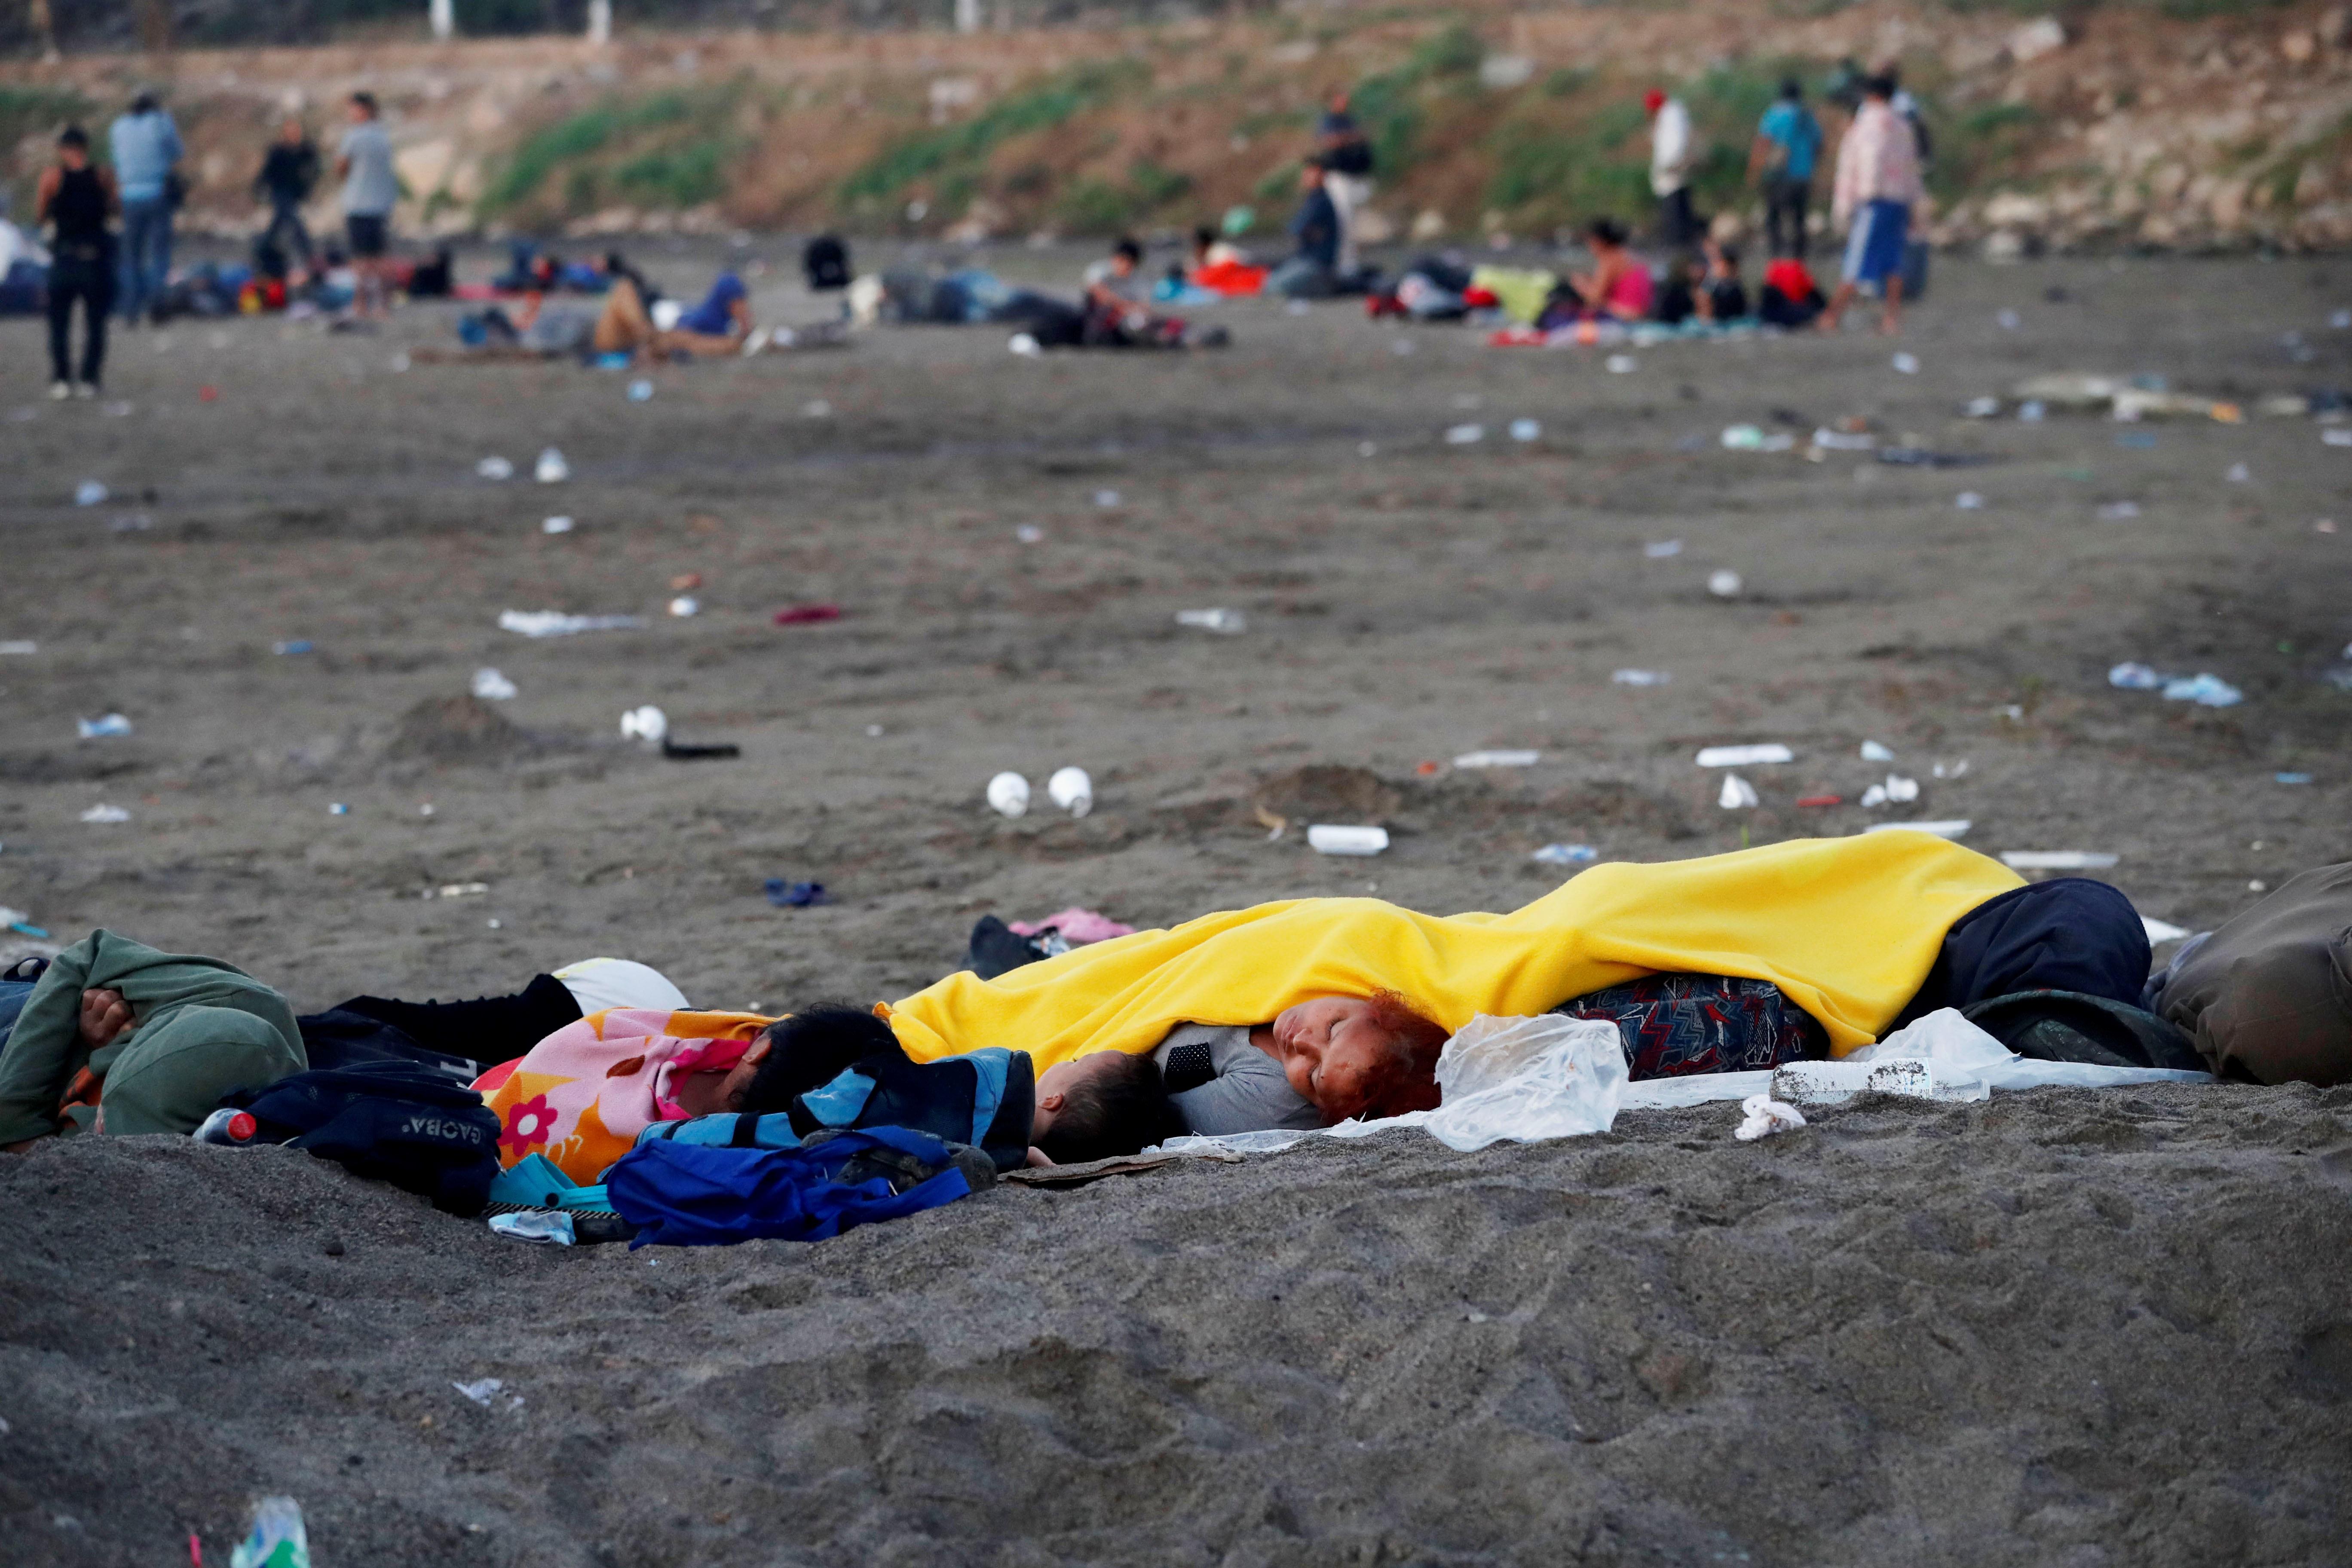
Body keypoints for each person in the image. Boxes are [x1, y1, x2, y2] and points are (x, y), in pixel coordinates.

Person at [1818, 73, 1923, 335]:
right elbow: (1912, 168)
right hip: (1898, 201)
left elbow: (1868, 160)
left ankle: (1831, 316)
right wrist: (1913, 202)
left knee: (1856, 261)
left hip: (1874, 201)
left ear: (1872, 95)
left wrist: (1850, 202)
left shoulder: (1869, 124)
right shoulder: (1902, 125)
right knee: (1892, 263)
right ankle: (1891, 320)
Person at [35, 125, 116, 400]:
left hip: (65, 258)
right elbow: (115, 208)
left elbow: (41, 215)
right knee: (95, 323)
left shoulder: (53, 176)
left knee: (59, 323)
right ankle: (89, 379)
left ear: (62, 149)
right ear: (86, 147)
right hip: (94, 259)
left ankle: (61, 379)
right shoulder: (103, 175)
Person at [108, 90, 182, 325]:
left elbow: (115, 158)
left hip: (128, 195)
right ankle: (158, 305)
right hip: (157, 192)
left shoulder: (119, 127)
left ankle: (130, 309)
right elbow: (177, 152)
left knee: (131, 256)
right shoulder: (160, 122)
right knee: (159, 253)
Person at [335, 92, 398, 319]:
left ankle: (360, 304)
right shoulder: (383, 137)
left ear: (364, 110)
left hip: (359, 204)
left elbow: (341, 167)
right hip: (381, 204)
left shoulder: (354, 137)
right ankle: (383, 305)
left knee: (361, 259)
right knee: (380, 257)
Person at [1749, 77, 1822, 259]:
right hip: (1802, 176)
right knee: (1799, 219)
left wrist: (1754, 170)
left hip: (1778, 176)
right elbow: (1819, 143)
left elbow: (1763, 142)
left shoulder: (1774, 114)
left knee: (1774, 218)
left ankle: (1776, 257)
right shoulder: (1807, 115)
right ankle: (1799, 259)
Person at [1315, 88, 1375, 279]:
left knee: (1353, 224)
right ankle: (1344, 265)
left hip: (1354, 175)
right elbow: (1332, 141)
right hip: (1338, 177)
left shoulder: (1348, 119)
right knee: (1343, 222)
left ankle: (1352, 264)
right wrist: (1352, 138)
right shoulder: (1330, 120)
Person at [253, 115, 321, 278]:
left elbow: (315, 168)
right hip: (280, 192)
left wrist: (308, 184)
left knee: (278, 224)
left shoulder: (305, 149)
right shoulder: (278, 151)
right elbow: (267, 172)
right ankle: (308, 254)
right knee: (293, 222)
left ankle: (261, 250)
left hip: (294, 193)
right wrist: (258, 189)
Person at [1266, 163, 1341, 299]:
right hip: (1304, 258)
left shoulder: (1321, 201)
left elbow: (1298, 228)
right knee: (1270, 281)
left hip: (1317, 263)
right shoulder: (1312, 199)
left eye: (1311, 174)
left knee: (1275, 287)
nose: (1307, 178)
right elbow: (1296, 228)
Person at [1565, 216, 1653, 322]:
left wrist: (1580, 285)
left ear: (1600, 241)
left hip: (1625, 316)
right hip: (1641, 314)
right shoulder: (1628, 255)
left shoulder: (1610, 259)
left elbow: (1595, 299)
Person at [1645, 87, 1695, 247]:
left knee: (1674, 213)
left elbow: (1675, 141)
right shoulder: (1673, 114)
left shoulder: (1671, 116)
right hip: (1674, 170)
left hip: (1671, 170)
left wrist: (1670, 164)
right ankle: (1683, 245)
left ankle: (1678, 247)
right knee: (1680, 208)